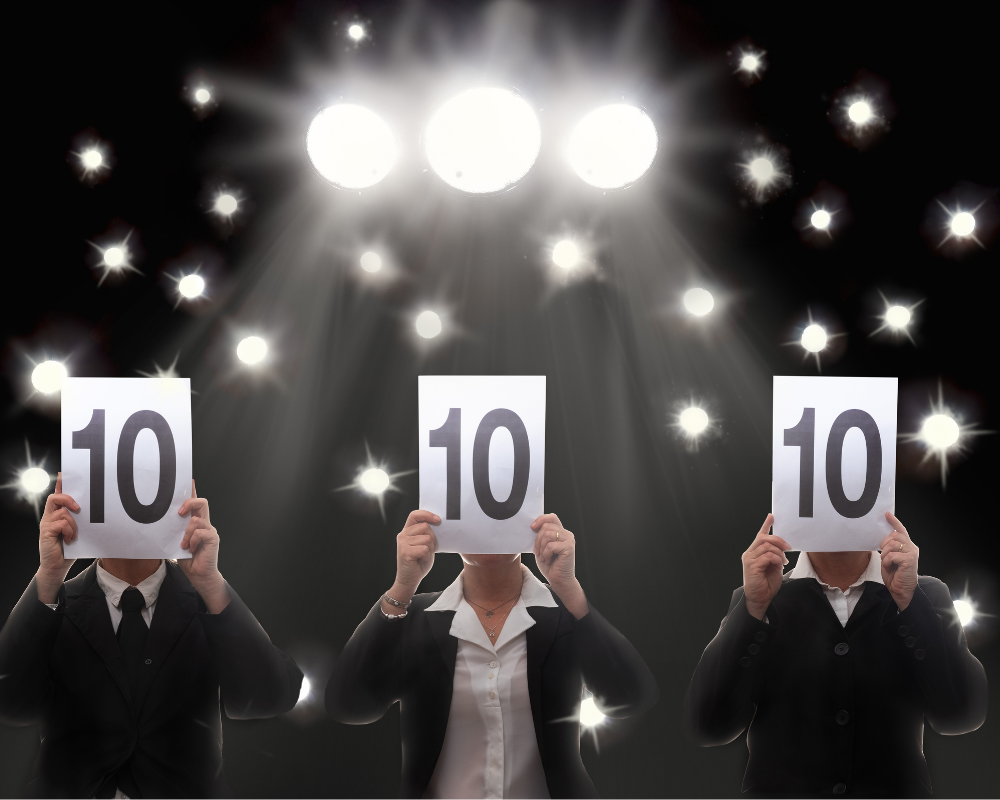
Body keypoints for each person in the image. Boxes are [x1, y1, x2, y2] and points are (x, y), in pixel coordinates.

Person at [0, 475, 303, 798]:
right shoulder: (52, 606)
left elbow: (272, 696)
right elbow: (9, 704)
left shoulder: (209, 606)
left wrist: (210, 582)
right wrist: (49, 576)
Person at [326, 510, 658, 799]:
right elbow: (349, 704)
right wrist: (402, 587)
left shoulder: (562, 617)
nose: (486, 531)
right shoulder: (416, 618)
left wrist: (568, 588)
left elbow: (631, 698)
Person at [684, 511, 988, 797]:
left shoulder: (924, 596)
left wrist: (912, 606)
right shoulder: (759, 600)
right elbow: (709, 725)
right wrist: (751, 610)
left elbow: (960, 715)